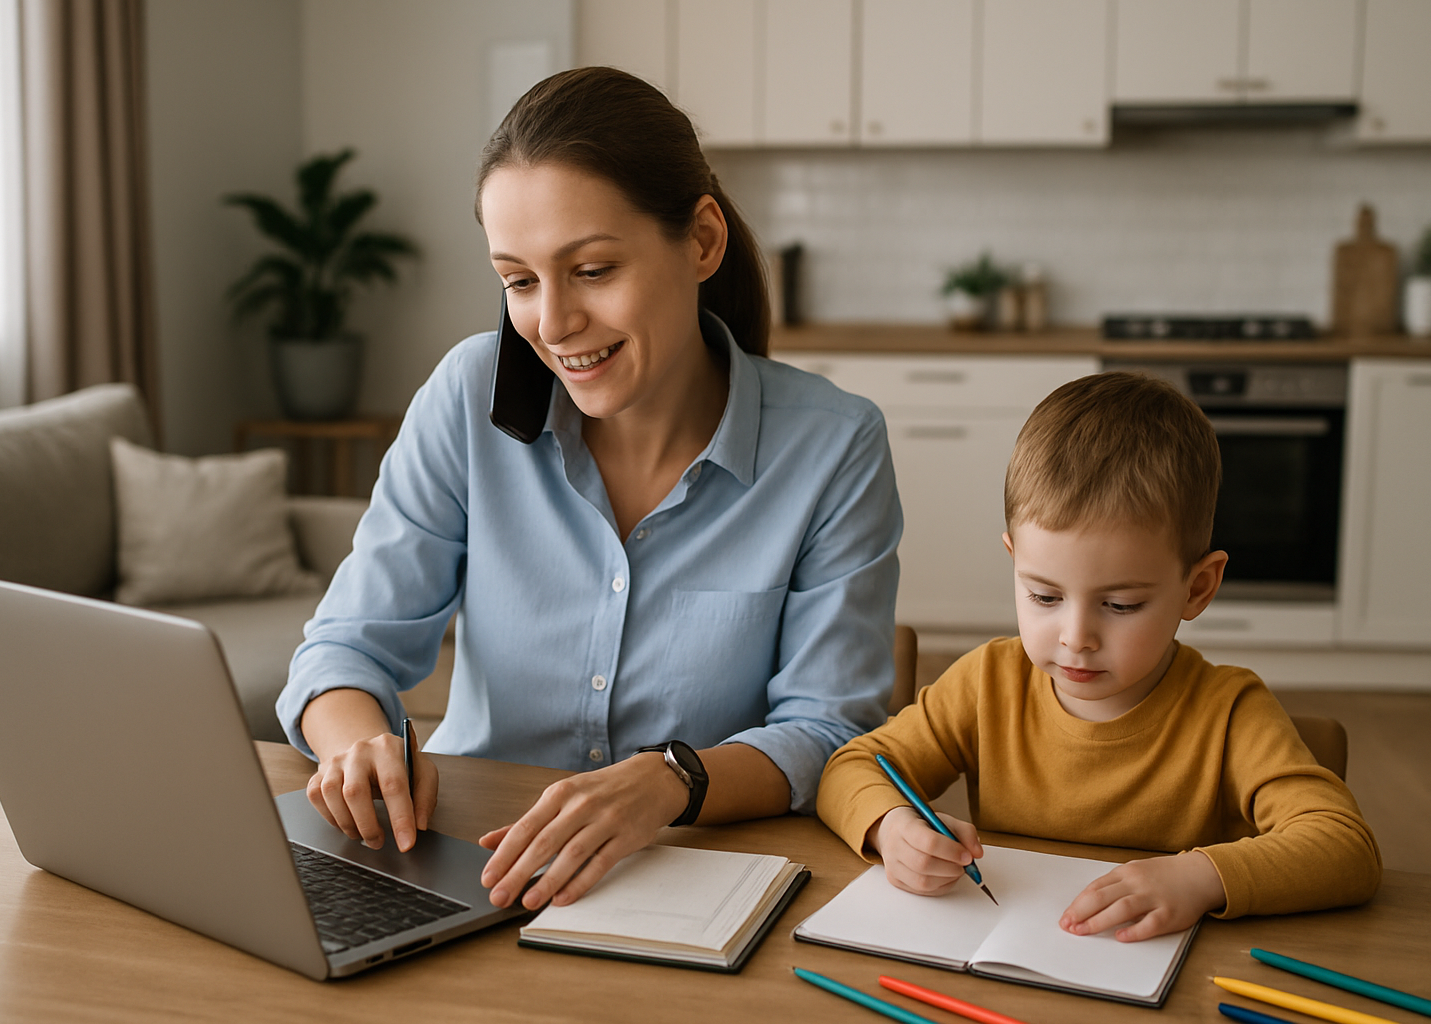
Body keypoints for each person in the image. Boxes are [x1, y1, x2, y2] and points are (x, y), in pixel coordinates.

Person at [276, 67, 901, 913]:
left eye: (594, 269)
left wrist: (669, 779)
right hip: (465, 860)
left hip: (688, 874)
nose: (553, 323)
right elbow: (344, 647)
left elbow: (829, 731)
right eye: (519, 281)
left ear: (702, 241)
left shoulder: (833, 445)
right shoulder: (468, 396)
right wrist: (355, 747)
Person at [817, 371, 1381, 942]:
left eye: (1120, 604)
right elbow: (851, 767)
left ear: (1197, 588)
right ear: (1014, 560)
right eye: (1044, 596)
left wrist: (1203, 877)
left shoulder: (1230, 710)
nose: (1075, 636)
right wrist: (891, 828)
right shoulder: (987, 683)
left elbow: (1345, 846)